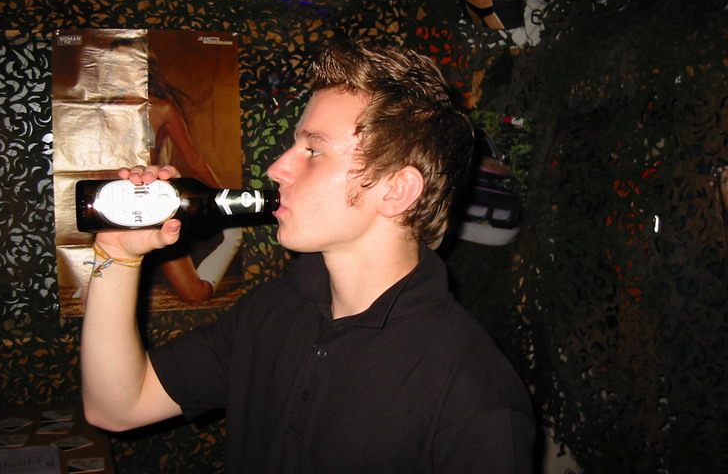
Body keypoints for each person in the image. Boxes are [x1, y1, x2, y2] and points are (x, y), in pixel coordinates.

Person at [81, 41, 535, 473]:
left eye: (313, 150)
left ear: (397, 190)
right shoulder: (273, 309)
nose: (277, 168)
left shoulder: (472, 392)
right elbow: (117, 407)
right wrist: (116, 254)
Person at [111, 37, 243, 303]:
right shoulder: (98, 110)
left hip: (150, 203)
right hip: (112, 204)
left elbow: (194, 160)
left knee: (194, 294)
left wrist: (227, 202)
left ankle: (232, 240)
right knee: (100, 292)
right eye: (115, 63)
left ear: (144, 66)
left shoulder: (162, 109)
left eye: (130, 62)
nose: (122, 69)